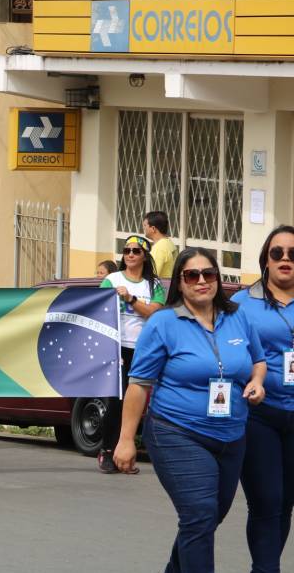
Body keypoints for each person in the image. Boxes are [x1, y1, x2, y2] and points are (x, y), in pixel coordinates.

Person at [114, 247, 266, 572]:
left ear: (217, 279)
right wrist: (126, 439)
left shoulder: (238, 317)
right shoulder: (163, 323)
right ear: (180, 283)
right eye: (191, 275)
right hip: (177, 431)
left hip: (231, 434)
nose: (201, 281)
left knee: (210, 516)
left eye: (208, 274)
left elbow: (258, 362)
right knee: (199, 514)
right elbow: (139, 384)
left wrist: (257, 382)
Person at [232, 225, 294, 572]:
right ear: (266, 260)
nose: (286, 259)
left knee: (286, 503)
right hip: (259, 416)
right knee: (266, 501)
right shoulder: (242, 303)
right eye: (277, 253)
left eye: (293, 254)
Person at [97, 234, 166, 473]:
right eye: (126, 251)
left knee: (142, 403)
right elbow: (99, 310)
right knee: (116, 403)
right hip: (118, 348)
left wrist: (130, 298)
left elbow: (154, 313)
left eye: (136, 251)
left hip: (145, 349)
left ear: (145, 256)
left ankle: (130, 452)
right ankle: (107, 451)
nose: (130, 255)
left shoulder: (153, 285)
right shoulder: (111, 279)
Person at [144, 210, 179, 279]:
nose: (144, 228)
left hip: (161, 288)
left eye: (145, 225)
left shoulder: (159, 248)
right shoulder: (169, 243)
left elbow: (151, 276)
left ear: (153, 228)